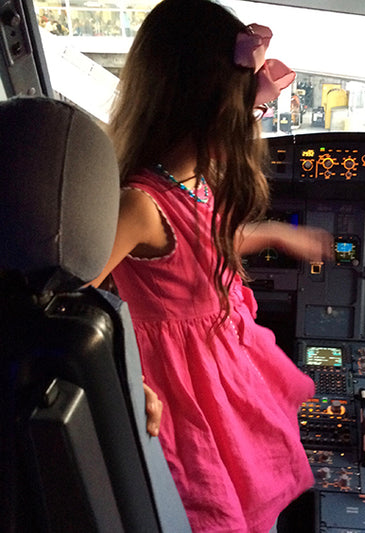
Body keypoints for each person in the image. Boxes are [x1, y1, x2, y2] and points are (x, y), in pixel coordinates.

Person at [92, 0, 332, 531]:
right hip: (184, 391)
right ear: (206, 106)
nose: (250, 122)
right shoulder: (138, 204)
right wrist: (123, 379)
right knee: (214, 507)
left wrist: (273, 233)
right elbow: (61, 309)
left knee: (253, 494)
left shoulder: (198, 181)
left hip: (227, 369)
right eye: (249, 109)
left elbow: (205, 243)